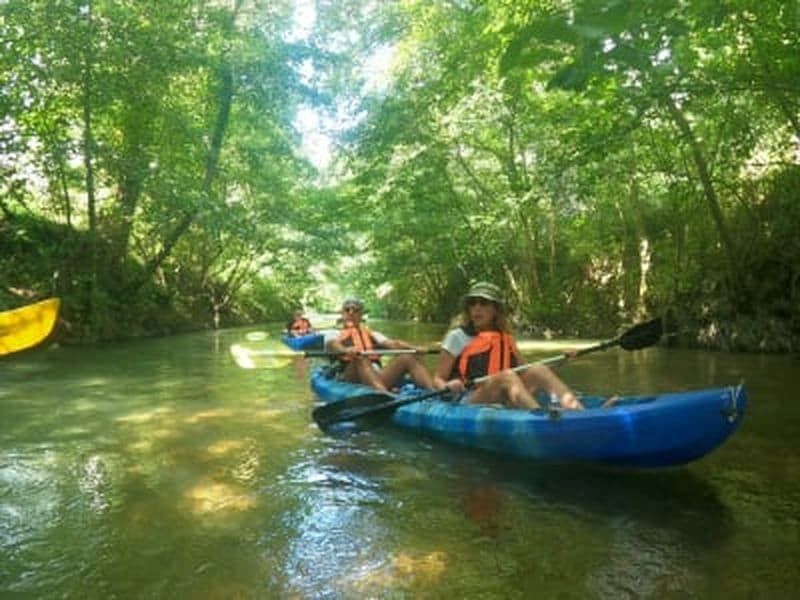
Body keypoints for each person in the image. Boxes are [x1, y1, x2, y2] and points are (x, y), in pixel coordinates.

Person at [432, 281, 583, 410]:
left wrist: (563, 360)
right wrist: (447, 387)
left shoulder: (505, 338)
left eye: (483, 303)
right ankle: (539, 418)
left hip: (502, 397)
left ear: (495, 310)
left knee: (539, 370)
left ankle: (578, 412)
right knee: (507, 376)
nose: (476, 308)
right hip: (468, 401)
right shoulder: (457, 337)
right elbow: (438, 379)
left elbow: (525, 370)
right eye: (472, 303)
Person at [325, 297, 433, 392]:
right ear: (342, 313)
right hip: (351, 377)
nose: (351, 313)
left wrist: (414, 348)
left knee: (407, 357)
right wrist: (345, 350)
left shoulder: (373, 334)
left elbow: (393, 344)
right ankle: (384, 394)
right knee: (360, 358)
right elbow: (332, 345)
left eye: (356, 310)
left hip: (376, 376)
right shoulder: (333, 333)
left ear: (361, 314)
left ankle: (434, 393)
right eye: (347, 309)